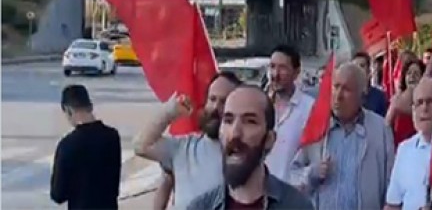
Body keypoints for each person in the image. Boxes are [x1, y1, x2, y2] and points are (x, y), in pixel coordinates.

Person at [186, 85, 313, 210]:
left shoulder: (297, 206)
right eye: (228, 120)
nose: (235, 133)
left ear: (269, 139)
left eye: (250, 121)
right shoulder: (200, 207)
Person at [290, 63, 395, 209]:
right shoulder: (317, 126)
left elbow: (391, 184)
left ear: (362, 96)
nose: (338, 96)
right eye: (336, 87)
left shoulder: (380, 129)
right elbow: (292, 176)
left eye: (346, 89)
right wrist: (311, 173)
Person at [133, 72, 242, 209]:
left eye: (224, 101)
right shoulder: (183, 148)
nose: (215, 107)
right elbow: (140, 146)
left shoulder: (243, 154)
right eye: (212, 99)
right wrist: (169, 112)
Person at [50, 84, 121, 209]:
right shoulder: (112, 137)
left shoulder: (67, 145)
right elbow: (114, 186)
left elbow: (58, 195)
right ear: (90, 106)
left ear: (68, 110)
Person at [384, 76, 432, 210]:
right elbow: (392, 205)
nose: (424, 108)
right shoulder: (405, 150)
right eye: (419, 102)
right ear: (413, 110)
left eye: (431, 101)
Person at [264, 45, 315, 183]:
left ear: (296, 72)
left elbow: (314, 159)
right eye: (272, 67)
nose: (275, 74)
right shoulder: (260, 106)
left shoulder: (309, 109)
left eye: (282, 68)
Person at [385, 58, 426, 145]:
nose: (412, 76)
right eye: (409, 73)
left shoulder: (427, 100)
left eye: (416, 73)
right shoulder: (396, 100)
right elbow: (386, 127)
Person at [353, 51, 389, 117]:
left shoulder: (379, 97)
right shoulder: (347, 97)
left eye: (362, 66)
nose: (358, 69)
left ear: (369, 71)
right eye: (355, 66)